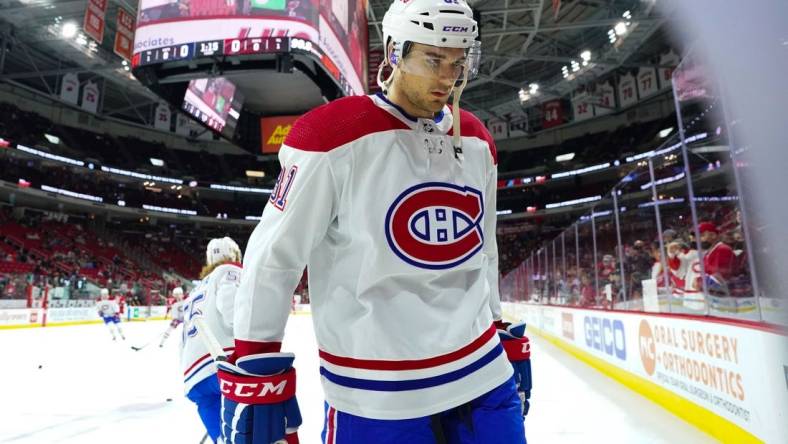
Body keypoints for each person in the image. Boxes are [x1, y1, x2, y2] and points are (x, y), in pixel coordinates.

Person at [217, 0, 530, 442]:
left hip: (482, 373)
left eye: (458, 63)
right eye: (433, 59)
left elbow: (485, 250)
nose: (447, 77)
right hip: (375, 392)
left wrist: (498, 328)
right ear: (395, 52)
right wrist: (256, 365)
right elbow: (275, 257)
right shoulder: (329, 136)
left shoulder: (476, 139)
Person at [180, 237, 242, 443]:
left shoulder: (194, 291)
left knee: (223, 439)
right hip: (222, 364)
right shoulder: (228, 271)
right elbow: (233, 313)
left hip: (194, 378)